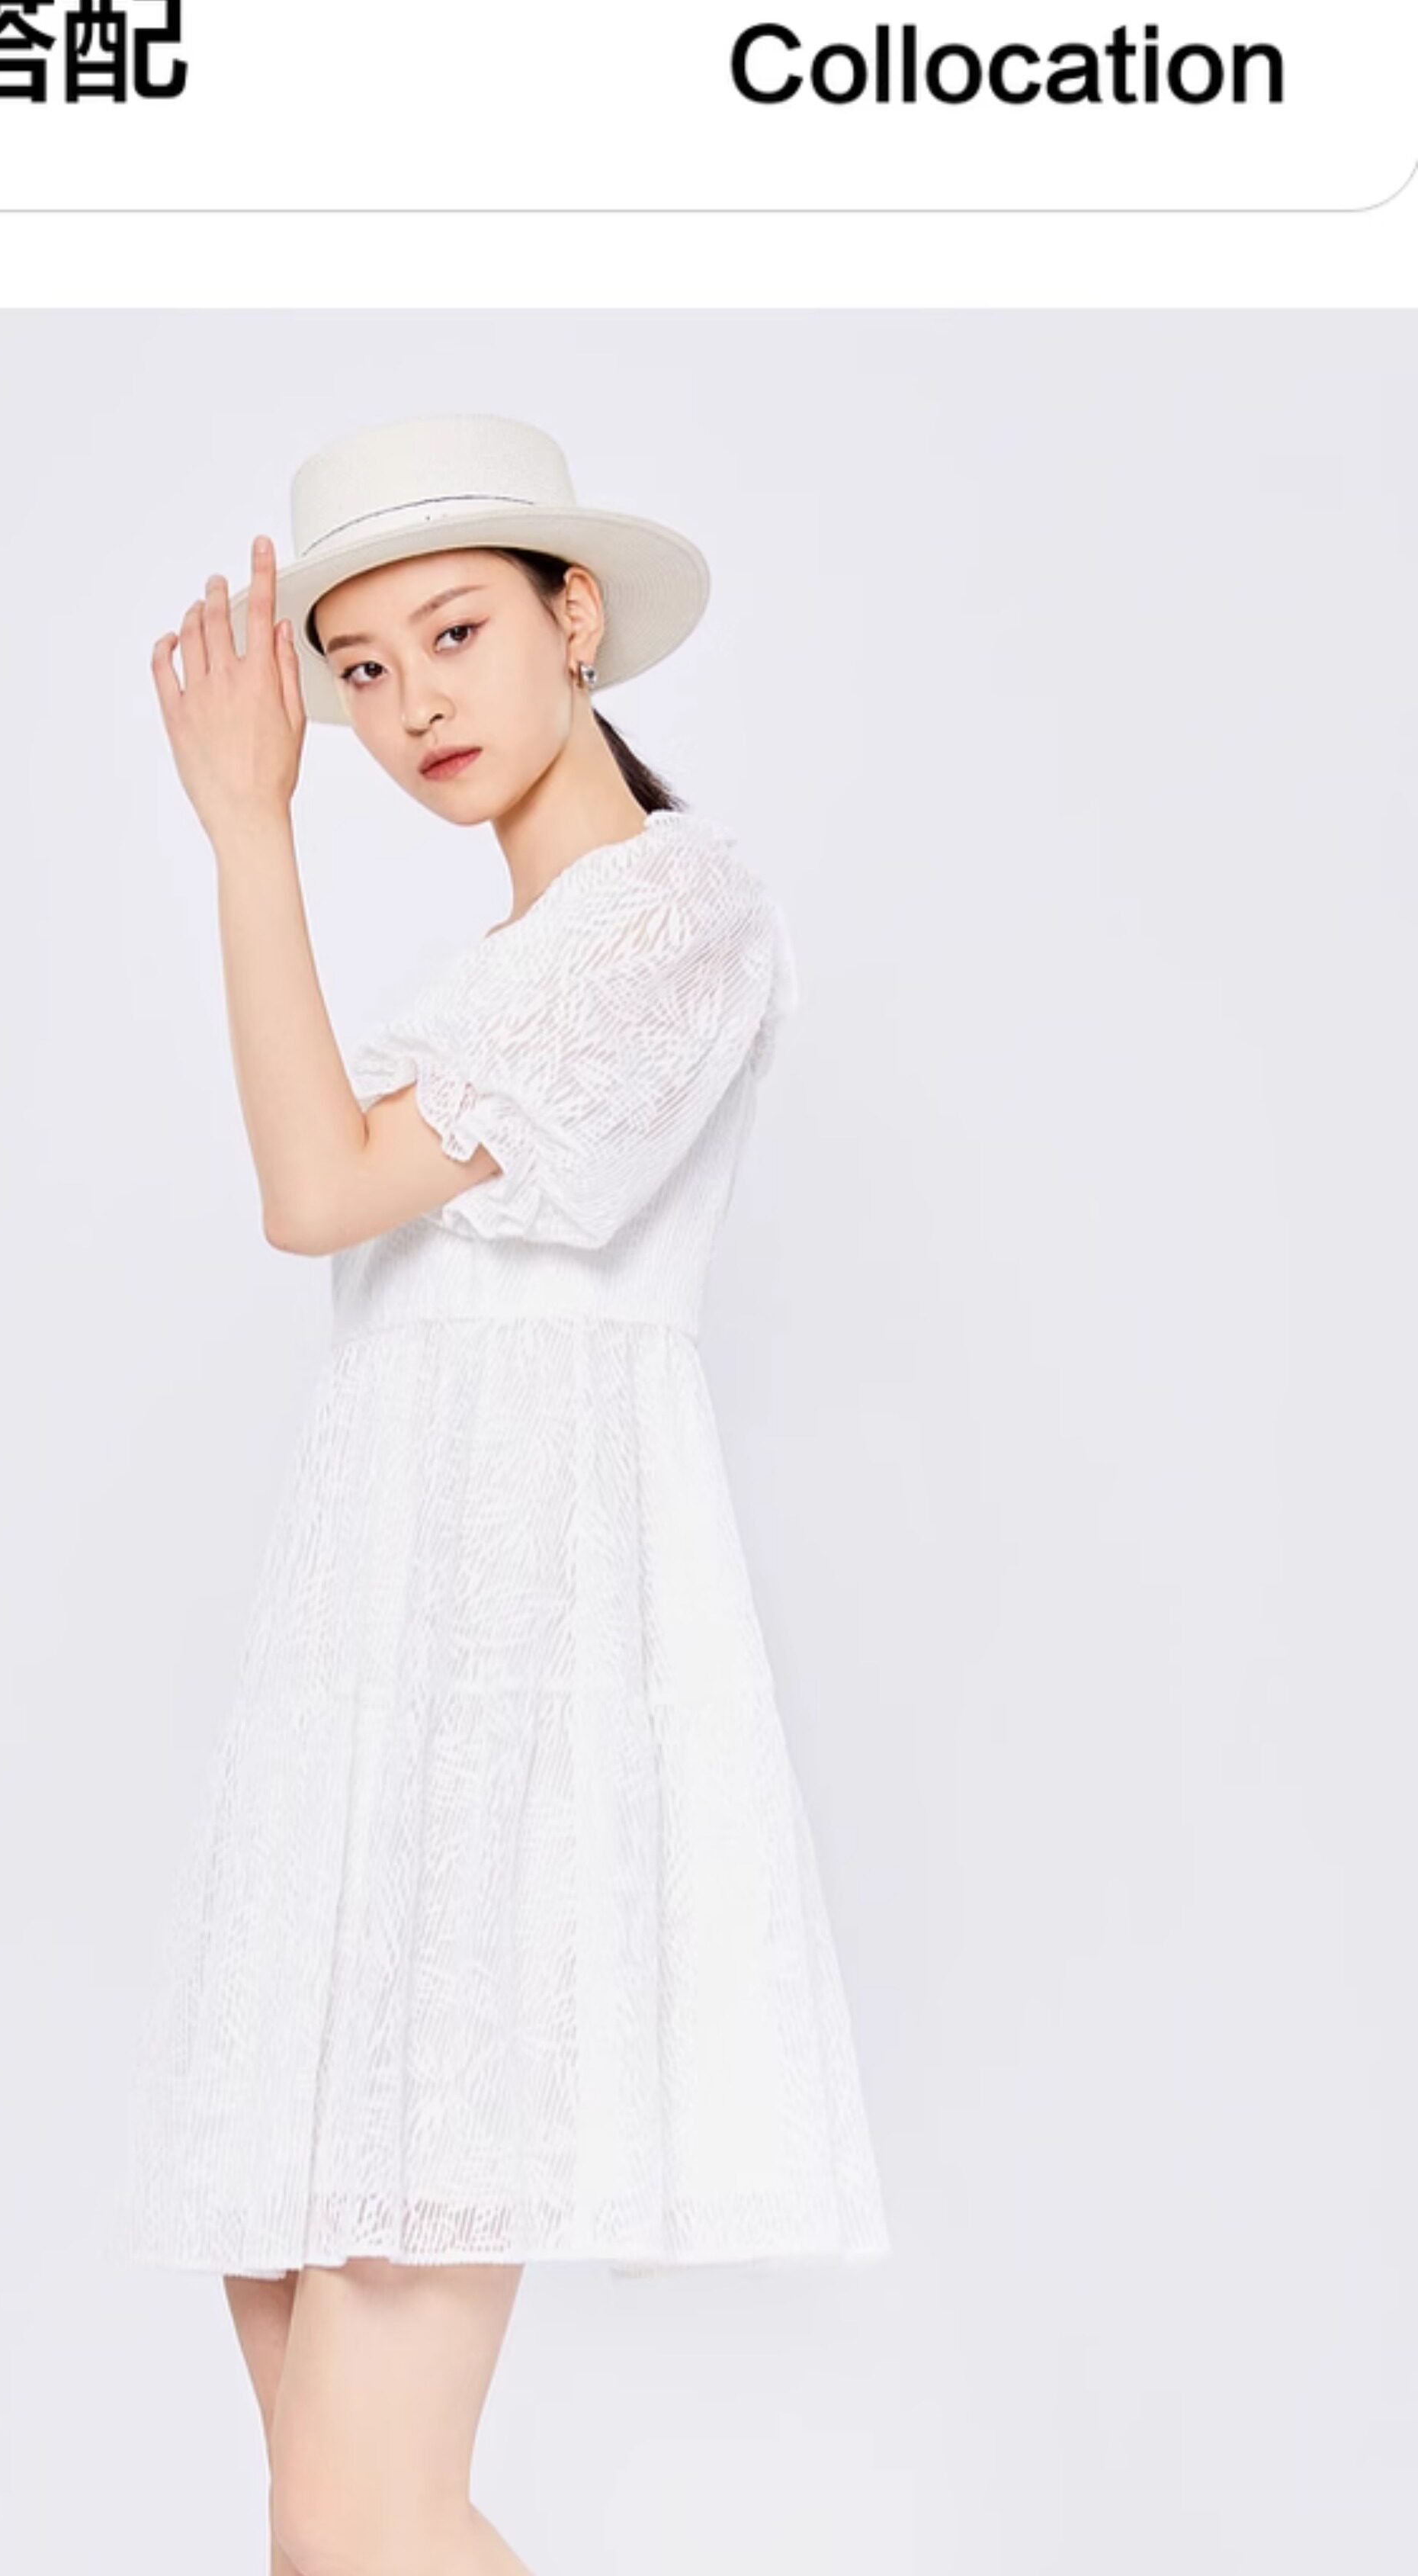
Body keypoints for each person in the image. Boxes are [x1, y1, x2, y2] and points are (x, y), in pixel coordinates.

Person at [128, 415, 889, 2576]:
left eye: (454, 634)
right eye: (360, 671)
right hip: (373, 1694)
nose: (410, 707)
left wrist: (246, 831)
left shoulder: (674, 913)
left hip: (504, 1695)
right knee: (342, 2521)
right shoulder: (497, 977)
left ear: (577, 619)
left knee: (356, 2510)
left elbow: (313, 1185)